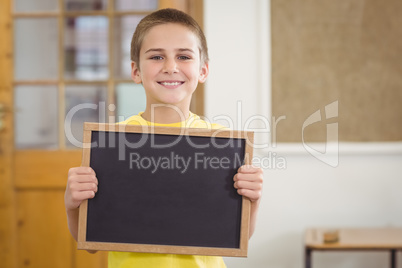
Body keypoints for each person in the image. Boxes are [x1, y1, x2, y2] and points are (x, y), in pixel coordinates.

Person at [64, 8, 263, 268]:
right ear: (136, 71)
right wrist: (72, 205)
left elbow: (234, 236)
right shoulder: (112, 144)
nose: (171, 67)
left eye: (183, 56)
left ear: (203, 70)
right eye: (157, 56)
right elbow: (90, 241)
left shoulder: (223, 144)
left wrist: (253, 200)